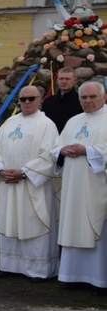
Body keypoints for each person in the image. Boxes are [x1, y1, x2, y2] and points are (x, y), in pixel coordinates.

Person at [0, 86, 60, 281]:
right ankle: (8, 265)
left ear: (40, 100)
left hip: (31, 185)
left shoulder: (47, 125)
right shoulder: (9, 123)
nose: (27, 102)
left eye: (31, 98)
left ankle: (37, 268)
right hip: (8, 184)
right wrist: (0, 169)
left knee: (33, 222)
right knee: (8, 221)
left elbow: (49, 155)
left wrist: (24, 172)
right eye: (23, 99)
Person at [52, 81, 107, 294]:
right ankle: (71, 275)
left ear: (103, 97)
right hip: (73, 186)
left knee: (97, 229)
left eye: (92, 97)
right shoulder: (73, 121)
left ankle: (98, 280)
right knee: (72, 224)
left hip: (97, 186)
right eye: (84, 97)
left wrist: (88, 151)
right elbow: (55, 147)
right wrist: (62, 151)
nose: (88, 101)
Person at [42, 67, 83, 133]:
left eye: (67, 79)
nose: (64, 82)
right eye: (61, 79)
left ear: (75, 81)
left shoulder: (81, 101)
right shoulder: (48, 102)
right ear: (57, 81)